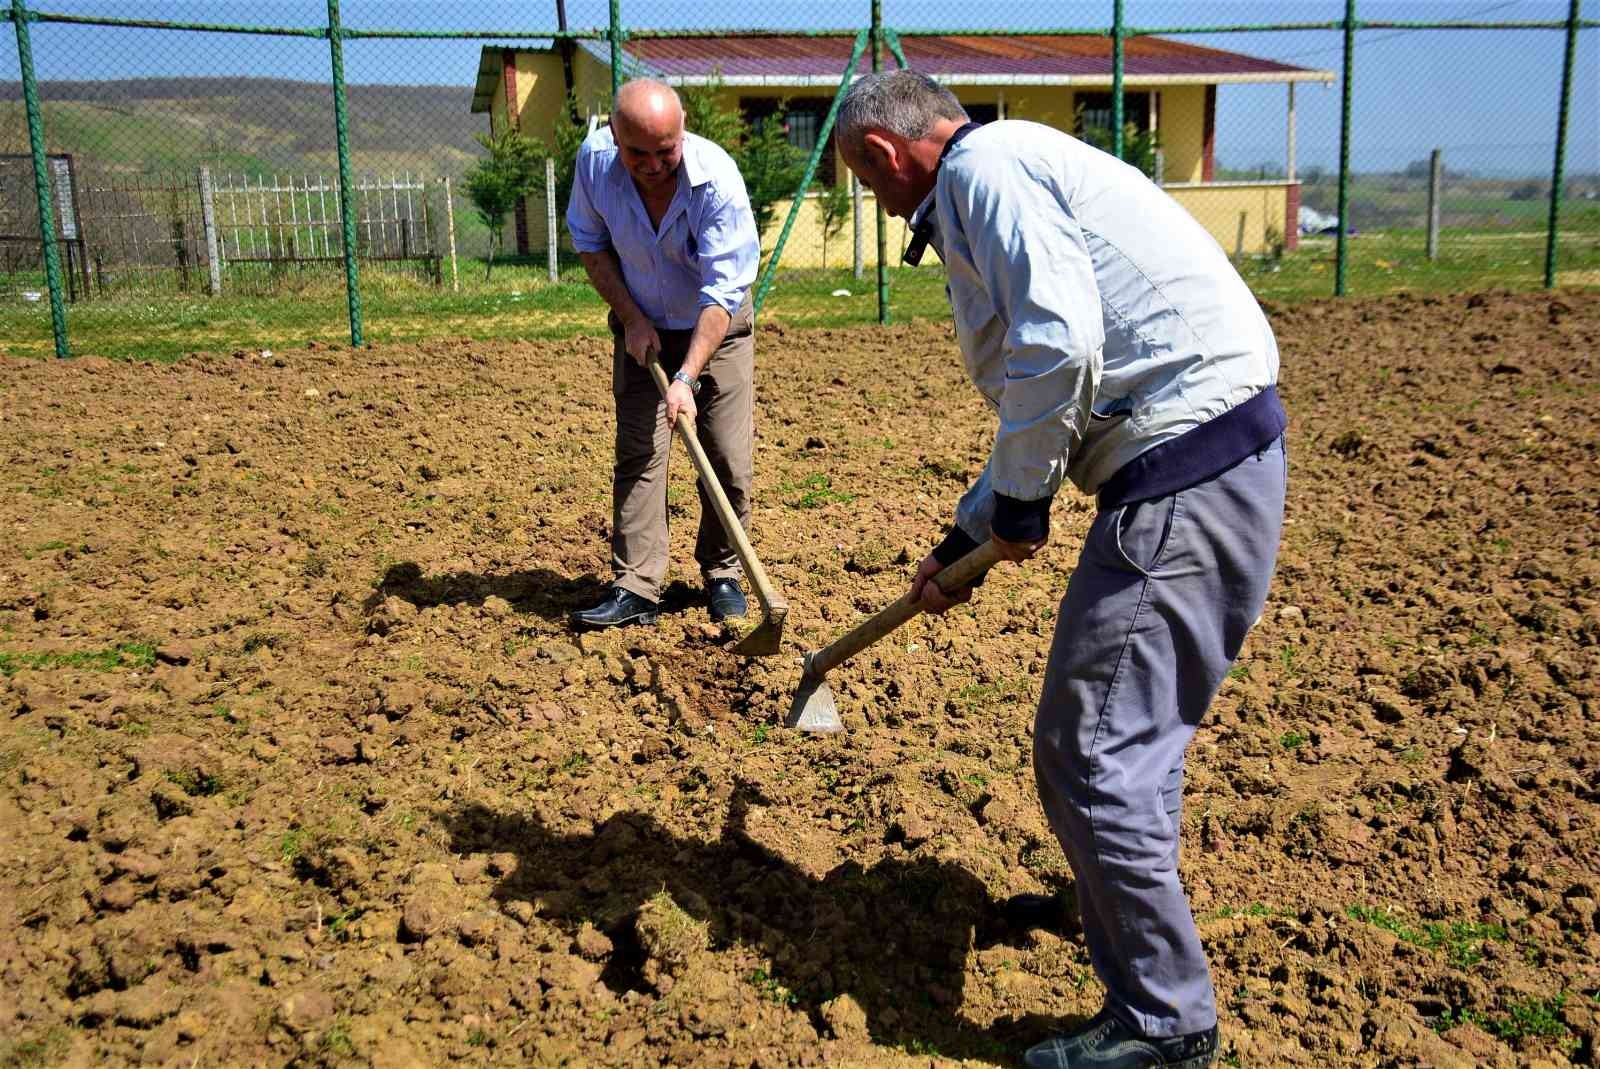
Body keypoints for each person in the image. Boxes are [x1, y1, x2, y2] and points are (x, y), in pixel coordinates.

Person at [836, 70, 1288, 1069]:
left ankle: (1164, 1022)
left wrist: (1023, 508)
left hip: (1184, 469)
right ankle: (1117, 908)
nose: (881, 207)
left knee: (1088, 749)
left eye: (869, 190)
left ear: (881, 154)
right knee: (1129, 740)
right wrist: (970, 537)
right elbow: (1054, 383)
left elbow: (1056, 346)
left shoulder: (986, 172)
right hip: (1206, 459)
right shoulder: (1015, 162)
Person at [565, 79, 761, 630]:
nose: (653, 165)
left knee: (725, 457)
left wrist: (687, 376)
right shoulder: (595, 162)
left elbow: (723, 292)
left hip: (715, 326)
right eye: (638, 154)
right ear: (614, 136)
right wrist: (631, 318)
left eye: (666, 151)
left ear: (683, 133)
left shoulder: (716, 181)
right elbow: (589, 240)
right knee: (639, 455)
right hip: (641, 321)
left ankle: (722, 572)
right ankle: (636, 586)